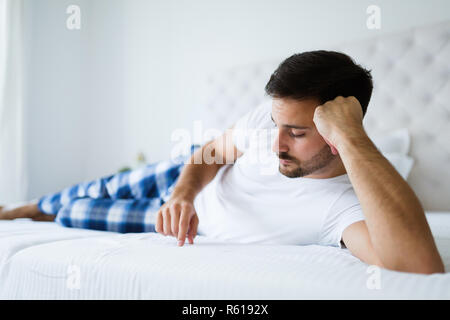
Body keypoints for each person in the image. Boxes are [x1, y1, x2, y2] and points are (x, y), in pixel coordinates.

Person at [0, 50, 444, 274]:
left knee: (76, 210)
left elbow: (419, 264)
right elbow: (209, 153)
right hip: (186, 187)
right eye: (275, 124)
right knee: (96, 186)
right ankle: (23, 206)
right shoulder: (268, 124)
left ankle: (31, 208)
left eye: (297, 132)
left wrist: (354, 138)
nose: (276, 144)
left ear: (338, 130)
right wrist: (183, 194)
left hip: (194, 226)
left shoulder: (342, 208)